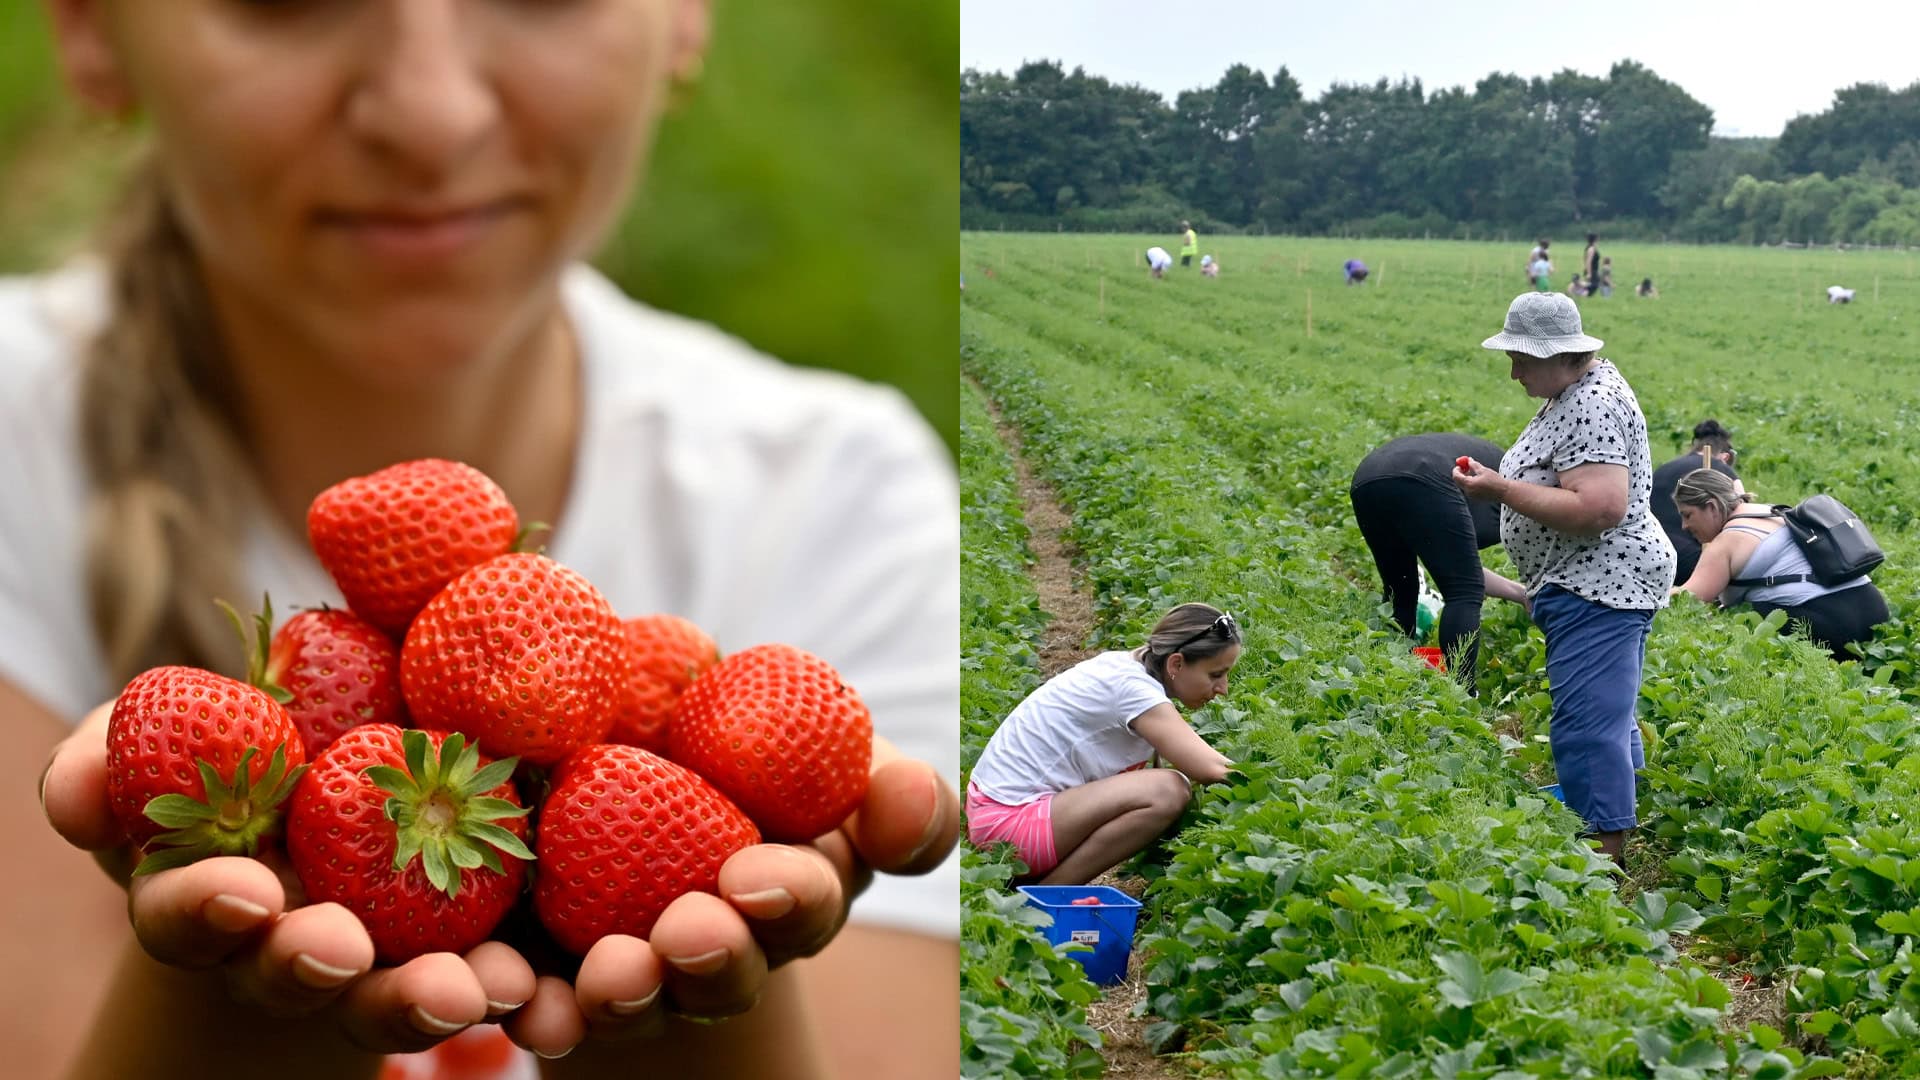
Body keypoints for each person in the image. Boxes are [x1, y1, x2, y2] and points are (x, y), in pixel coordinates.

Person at [12, 3, 962, 1078]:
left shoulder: (846, 501)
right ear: (90, 27)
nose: (432, 116)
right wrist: (228, 994)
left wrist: (689, 1002)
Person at [1454, 293, 1675, 868]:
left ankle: (1603, 856)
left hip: (1600, 581)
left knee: (1586, 723)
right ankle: (1609, 821)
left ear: (1561, 355)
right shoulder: (1576, 392)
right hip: (1590, 579)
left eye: (1523, 358)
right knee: (1606, 713)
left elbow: (1599, 508)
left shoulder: (1592, 405)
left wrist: (1499, 488)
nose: (1514, 370)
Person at [965, 604, 1239, 886]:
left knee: (1164, 785)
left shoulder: (1127, 666)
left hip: (996, 816)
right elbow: (1211, 768)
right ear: (1176, 664)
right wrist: (1275, 786)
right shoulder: (1133, 690)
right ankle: (1048, 894)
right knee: (1169, 790)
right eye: (1216, 674)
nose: (1223, 688)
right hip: (1007, 833)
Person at [1350, 434, 1529, 689]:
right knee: (1464, 594)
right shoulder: (1522, 501)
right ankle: (1462, 694)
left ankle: (1390, 676)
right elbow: (1462, 576)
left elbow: (1452, 560)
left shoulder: (1508, 482)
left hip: (1368, 478)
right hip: (1424, 474)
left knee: (1401, 590)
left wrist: (1521, 593)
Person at [1670, 470, 1890, 661]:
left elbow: (1688, 599)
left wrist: (1648, 592)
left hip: (1834, 625)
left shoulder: (1727, 541)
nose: (1684, 525)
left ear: (1711, 506)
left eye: (1688, 515)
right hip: (1874, 613)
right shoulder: (1772, 513)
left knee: (1739, 617)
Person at [1650, 420, 1743, 586]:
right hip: (1693, 563)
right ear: (1725, 457)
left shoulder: (1662, 469)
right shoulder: (1721, 469)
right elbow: (1741, 516)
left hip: (1651, 556)